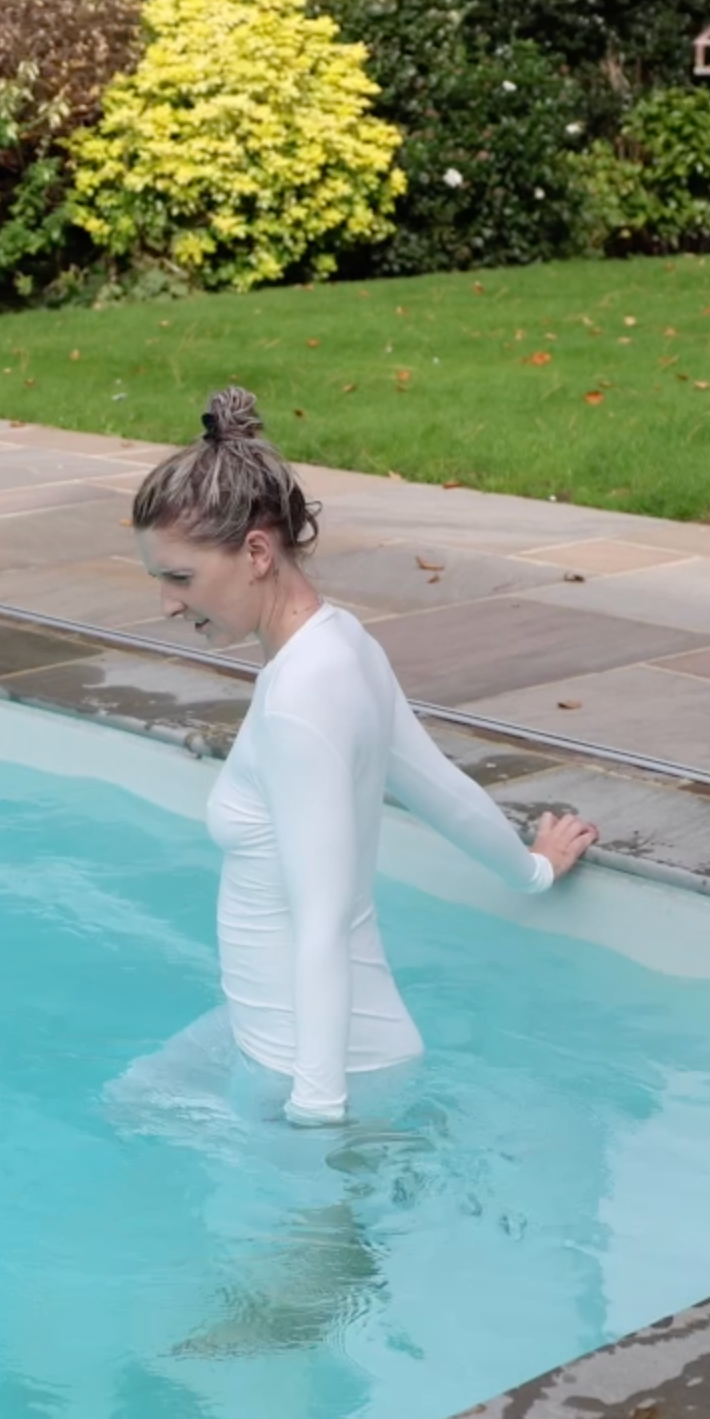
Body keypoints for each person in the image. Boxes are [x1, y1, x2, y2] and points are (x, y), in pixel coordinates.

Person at [130, 386, 601, 1126]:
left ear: (256, 551)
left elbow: (322, 923)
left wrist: (315, 1121)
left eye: (179, 577)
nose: (164, 603)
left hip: (311, 1073)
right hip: (280, 1040)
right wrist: (531, 869)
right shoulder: (339, 642)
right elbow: (434, 785)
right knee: (132, 1103)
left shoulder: (301, 701)